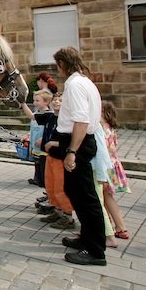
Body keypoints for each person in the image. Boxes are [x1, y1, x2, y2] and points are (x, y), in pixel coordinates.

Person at [52, 46, 105, 266]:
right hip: (79, 140)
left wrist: (72, 151)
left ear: (62, 65)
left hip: (79, 142)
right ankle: (86, 238)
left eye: (57, 65)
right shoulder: (84, 82)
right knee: (76, 192)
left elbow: (82, 121)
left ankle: (95, 251)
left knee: (85, 197)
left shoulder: (74, 85)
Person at [40, 94, 77, 230]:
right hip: (51, 156)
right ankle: (57, 211)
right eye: (55, 100)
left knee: (60, 188)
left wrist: (53, 143)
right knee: (51, 186)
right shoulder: (51, 117)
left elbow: (71, 138)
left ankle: (68, 217)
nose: (56, 102)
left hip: (61, 157)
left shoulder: (69, 119)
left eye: (60, 100)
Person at [100, 100, 131, 241]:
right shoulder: (109, 128)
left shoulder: (103, 129)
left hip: (106, 166)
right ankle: (113, 226)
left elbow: (106, 148)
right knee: (106, 197)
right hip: (112, 165)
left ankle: (119, 227)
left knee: (106, 197)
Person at [22, 89, 51, 188]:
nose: (35, 103)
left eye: (37, 100)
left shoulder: (49, 115)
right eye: (34, 100)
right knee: (38, 168)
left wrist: (22, 103)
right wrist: (28, 135)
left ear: (46, 102)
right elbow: (33, 123)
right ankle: (40, 184)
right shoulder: (37, 113)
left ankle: (48, 194)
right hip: (36, 148)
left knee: (45, 173)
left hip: (44, 149)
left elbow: (50, 130)